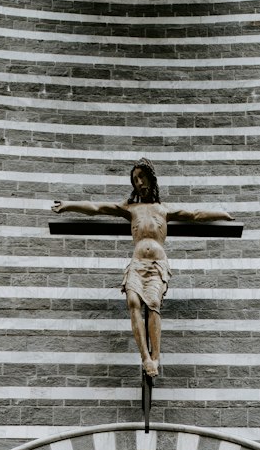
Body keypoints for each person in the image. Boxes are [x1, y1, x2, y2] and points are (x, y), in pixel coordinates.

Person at [52, 158, 234, 378]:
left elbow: (195, 214)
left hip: (157, 263)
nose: (139, 182)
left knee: (154, 303)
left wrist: (222, 214)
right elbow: (97, 208)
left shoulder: (163, 209)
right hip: (137, 263)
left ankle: (156, 357)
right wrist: (68, 205)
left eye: (141, 177)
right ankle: (145, 358)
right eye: (135, 179)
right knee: (132, 302)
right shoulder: (130, 208)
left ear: (151, 178)